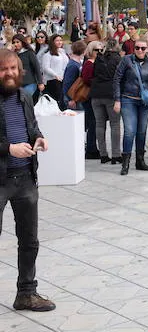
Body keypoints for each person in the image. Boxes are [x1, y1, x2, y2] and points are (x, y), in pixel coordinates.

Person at [0, 49, 55, 312]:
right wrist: (9, 148)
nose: (9, 73)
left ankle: (26, 293)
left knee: (29, 240)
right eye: (3, 69)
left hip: (25, 178)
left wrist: (38, 138)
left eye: (13, 68)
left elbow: (31, 127)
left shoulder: (24, 95)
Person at [113, 39, 148, 175]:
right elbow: (117, 79)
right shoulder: (126, 60)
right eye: (137, 48)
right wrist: (117, 99)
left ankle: (140, 160)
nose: (140, 50)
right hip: (128, 99)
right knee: (129, 131)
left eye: (143, 48)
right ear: (134, 49)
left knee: (142, 131)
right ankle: (125, 162)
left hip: (145, 102)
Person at [90, 39, 122, 165]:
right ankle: (116, 155)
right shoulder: (118, 59)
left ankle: (103, 154)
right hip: (111, 94)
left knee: (99, 124)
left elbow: (93, 74)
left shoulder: (99, 58)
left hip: (96, 93)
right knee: (115, 124)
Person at [11, 35, 42, 101]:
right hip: (18, 84)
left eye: (17, 42)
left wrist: (40, 82)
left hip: (30, 83)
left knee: (24, 101)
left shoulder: (29, 53)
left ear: (22, 42)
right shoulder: (13, 54)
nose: (15, 44)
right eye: (14, 42)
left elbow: (37, 67)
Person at [39, 35, 67, 109]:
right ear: (52, 42)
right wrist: (55, 75)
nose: (59, 42)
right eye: (57, 40)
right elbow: (45, 68)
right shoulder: (48, 54)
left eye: (60, 40)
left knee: (61, 100)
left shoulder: (62, 52)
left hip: (62, 79)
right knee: (55, 101)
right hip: (52, 80)